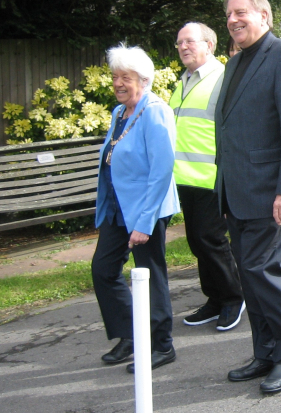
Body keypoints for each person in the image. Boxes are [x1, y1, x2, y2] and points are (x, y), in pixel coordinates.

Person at [216, 0, 281, 394]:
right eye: (229, 15)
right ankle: (265, 351)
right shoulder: (235, 63)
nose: (234, 20)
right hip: (237, 194)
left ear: (264, 16)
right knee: (249, 276)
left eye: (242, 12)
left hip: (273, 194)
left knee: (264, 273)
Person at [92, 44, 180, 372]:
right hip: (118, 208)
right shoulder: (119, 113)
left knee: (150, 273)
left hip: (147, 209)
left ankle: (161, 345)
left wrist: (144, 222)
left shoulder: (155, 110)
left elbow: (161, 170)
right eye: (115, 76)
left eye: (125, 77)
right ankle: (131, 336)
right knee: (103, 270)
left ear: (143, 80)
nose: (118, 83)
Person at [169, 22, 245, 331]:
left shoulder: (221, 79)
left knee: (211, 241)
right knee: (197, 242)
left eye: (190, 41)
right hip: (184, 177)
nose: (183, 47)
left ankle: (232, 299)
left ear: (209, 45)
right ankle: (214, 299)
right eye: (179, 43)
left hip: (210, 177)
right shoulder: (183, 81)